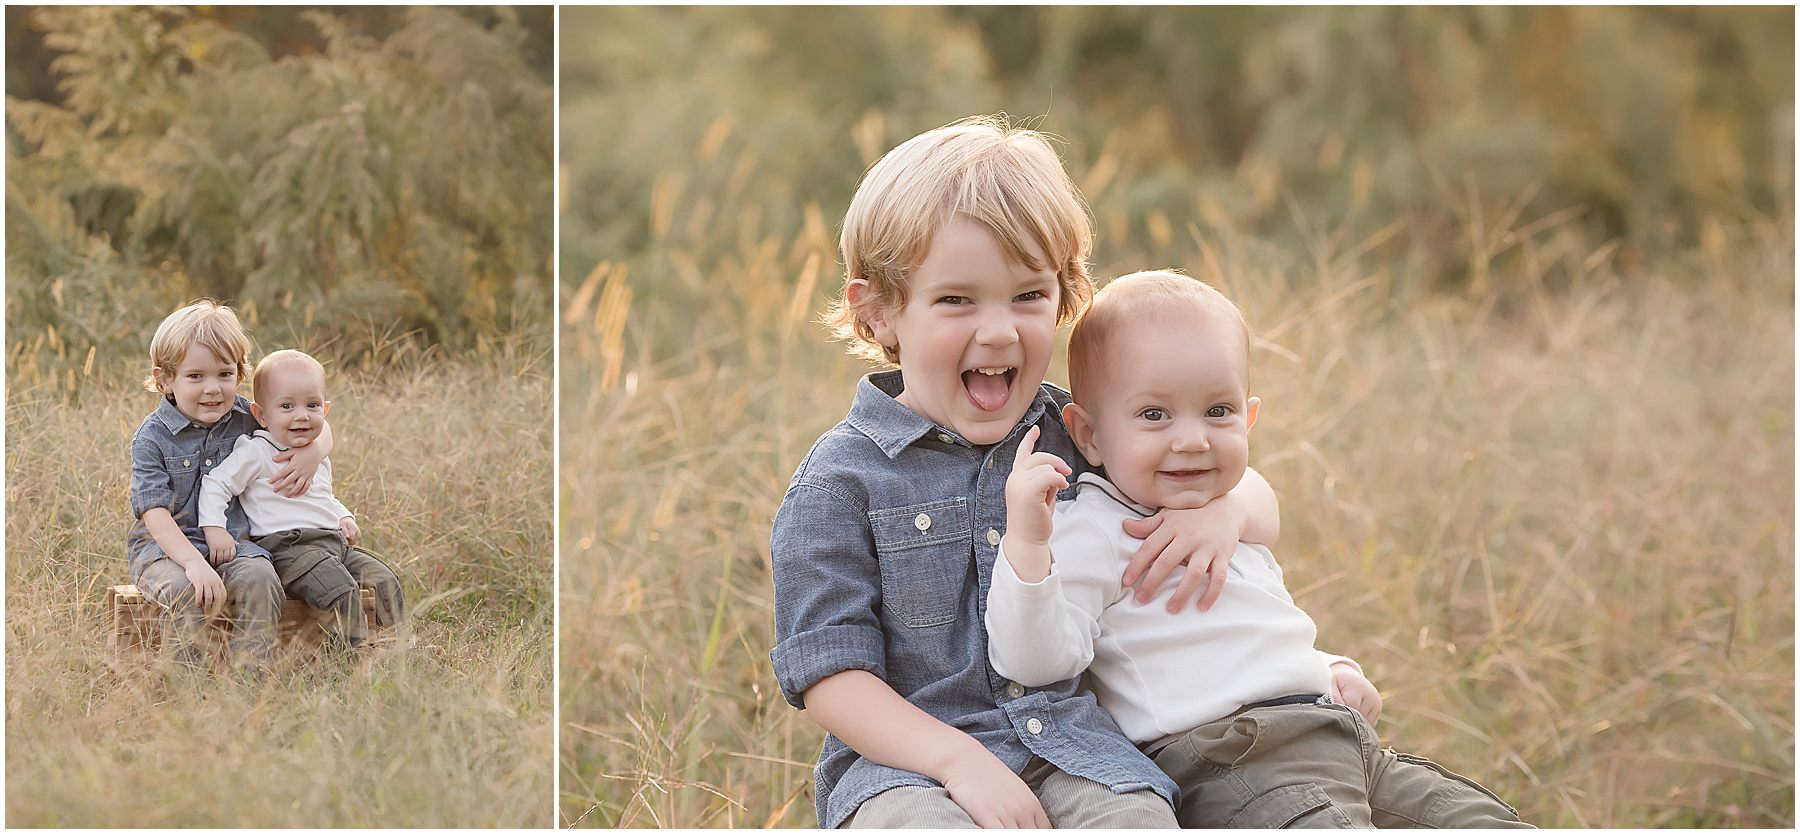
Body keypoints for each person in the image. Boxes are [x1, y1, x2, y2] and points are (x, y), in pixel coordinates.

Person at [769, 116, 1318, 829]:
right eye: (957, 300)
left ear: (1065, 299)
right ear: (878, 313)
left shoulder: (1075, 429)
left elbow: (1224, 476)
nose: (998, 331)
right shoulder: (840, 483)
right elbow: (830, 676)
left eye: (1027, 296)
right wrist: (956, 761)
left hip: (1077, 748)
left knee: (1140, 819)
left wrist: (1224, 511)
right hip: (907, 770)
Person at [986, 271, 1528, 828]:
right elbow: (1035, 662)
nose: (1193, 439)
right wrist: (1029, 544)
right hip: (1234, 756)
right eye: (1155, 414)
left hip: (1340, 739)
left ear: (1248, 419)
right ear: (1090, 436)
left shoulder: (1228, 507)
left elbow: (1246, 628)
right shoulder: (1097, 527)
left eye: (1217, 411)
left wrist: (1322, 668)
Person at [127, 300, 330, 671]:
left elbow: (309, 419)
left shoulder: (245, 417)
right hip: (166, 551)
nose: (213, 389)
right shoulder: (151, 439)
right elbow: (153, 513)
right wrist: (192, 563)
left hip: (234, 543)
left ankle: (252, 679)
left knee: (260, 576)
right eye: (195, 376)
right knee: (181, 590)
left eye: (224, 374)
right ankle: (188, 690)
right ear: (164, 380)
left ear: (239, 372)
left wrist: (315, 451)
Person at [198, 349, 404, 649]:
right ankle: (357, 658)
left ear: (326, 409)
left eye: (312, 405)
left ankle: (397, 647)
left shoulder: (313, 453)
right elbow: (216, 484)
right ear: (261, 415)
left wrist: (344, 516)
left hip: (333, 543)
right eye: (286, 406)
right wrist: (214, 527)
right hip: (289, 547)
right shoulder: (256, 451)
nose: (301, 415)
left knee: (384, 579)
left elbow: (320, 497)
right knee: (340, 590)